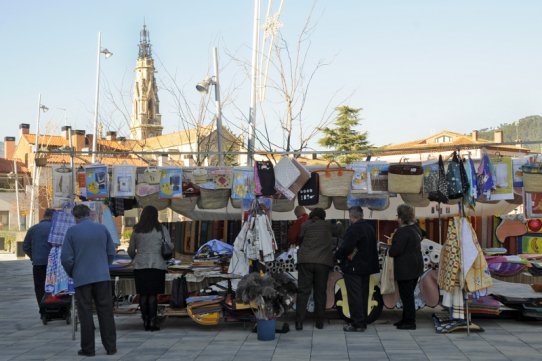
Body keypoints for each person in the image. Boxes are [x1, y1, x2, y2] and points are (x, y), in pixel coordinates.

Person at [61, 204, 117, 357]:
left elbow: (66, 258)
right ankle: (110, 347)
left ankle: (88, 348)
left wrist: (73, 272)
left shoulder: (72, 232)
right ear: (89, 214)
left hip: (82, 277)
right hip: (102, 276)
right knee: (105, 311)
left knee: (85, 312)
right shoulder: (102, 229)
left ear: (76, 217)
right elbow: (111, 252)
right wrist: (104, 266)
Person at [128, 205, 173, 332]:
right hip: (157, 265)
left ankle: (145, 321)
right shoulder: (161, 229)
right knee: (153, 294)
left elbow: (131, 249)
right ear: (156, 215)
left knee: (143, 294)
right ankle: (152, 322)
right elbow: (169, 245)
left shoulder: (136, 230)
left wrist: (136, 257)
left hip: (140, 265)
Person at [335, 206, 379, 332]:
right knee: (363, 294)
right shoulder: (369, 227)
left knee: (355, 295)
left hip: (354, 266)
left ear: (351, 216)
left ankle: (357, 323)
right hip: (367, 266)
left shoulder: (354, 229)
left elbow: (346, 247)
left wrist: (337, 256)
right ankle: (363, 320)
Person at [295, 207, 333, 330]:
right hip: (322, 262)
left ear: (311, 216)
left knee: (303, 292)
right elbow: (340, 230)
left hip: (305, 261)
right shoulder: (327, 225)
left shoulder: (305, 225)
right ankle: (319, 322)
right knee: (320, 292)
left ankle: (299, 322)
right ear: (323, 216)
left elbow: (300, 238)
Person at [388, 203, 424, 330]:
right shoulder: (416, 228)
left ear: (402, 218)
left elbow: (394, 251)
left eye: (398, 216)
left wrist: (390, 246)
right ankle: (405, 319)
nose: (397, 218)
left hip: (405, 269)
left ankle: (409, 322)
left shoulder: (402, 232)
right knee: (408, 295)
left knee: (407, 297)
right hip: (416, 267)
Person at [23, 208, 55, 320]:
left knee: (39, 287)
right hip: (53, 264)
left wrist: (33, 257)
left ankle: (43, 311)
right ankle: (55, 309)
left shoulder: (33, 229)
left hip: (38, 264)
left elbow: (25, 247)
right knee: (54, 286)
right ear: (53, 217)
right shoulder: (54, 229)